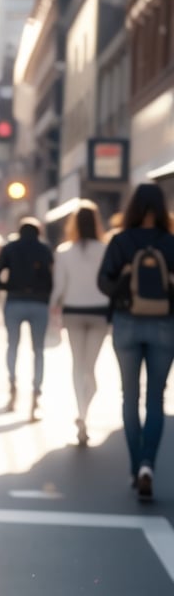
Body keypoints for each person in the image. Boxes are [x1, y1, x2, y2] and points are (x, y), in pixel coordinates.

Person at [98, 182, 174, 500]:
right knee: (155, 399)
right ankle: (147, 465)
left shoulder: (121, 241)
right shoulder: (171, 243)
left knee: (129, 397)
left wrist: (126, 280)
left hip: (127, 323)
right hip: (164, 325)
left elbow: (103, 283)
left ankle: (134, 470)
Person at [49, 200, 110, 446]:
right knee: (91, 368)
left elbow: (58, 288)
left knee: (77, 365)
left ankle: (80, 412)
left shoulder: (64, 251)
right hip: (99, 312)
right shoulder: (105, 250)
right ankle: (85, 413)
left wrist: (52, 308)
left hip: (73, 312)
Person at [0, 215, 54, 419]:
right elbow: (53, 278)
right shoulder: (45, 250)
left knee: (12, 346)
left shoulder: (10, 248)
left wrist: (7, 287)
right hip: (39, 303)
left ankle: (13, 387)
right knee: (38, 350)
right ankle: (36, 396)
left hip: (15, 301)